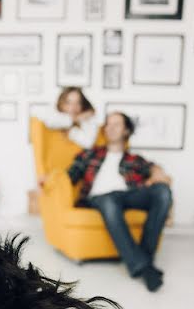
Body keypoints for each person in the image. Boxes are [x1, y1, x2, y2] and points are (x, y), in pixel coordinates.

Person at [67, 112, 173, 292]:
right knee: (109, 202)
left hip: (128, 195)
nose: (110, 128)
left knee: (163, 191)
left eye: (116, 124)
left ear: (126, 131)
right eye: (108, 124)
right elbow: (68, 177)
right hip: (100, 197)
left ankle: (143, 259)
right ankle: (145, 267)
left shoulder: (134, 159)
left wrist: (156, 172)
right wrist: (51, 179)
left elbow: (154, 167)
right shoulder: (89, 154)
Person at [32, 87, 101, 149]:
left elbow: (88, 143)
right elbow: (49, 122)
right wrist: (76, 119)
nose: (73, 107)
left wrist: (71, 131)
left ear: (82, 105)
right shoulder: (54, 114)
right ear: (61, 103)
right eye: (68, 102)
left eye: (78, 102)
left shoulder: (88, 118)